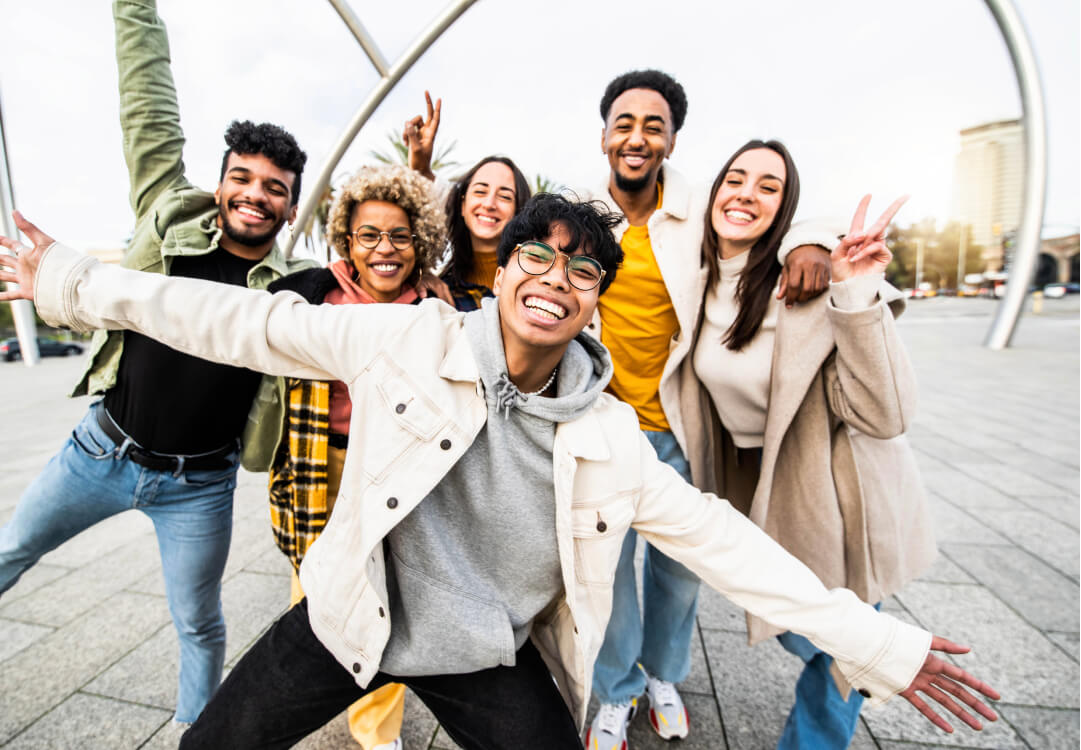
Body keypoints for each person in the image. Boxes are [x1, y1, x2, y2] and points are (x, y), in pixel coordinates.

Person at [2, 196, 999, 749]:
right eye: (538, 257)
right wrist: (72, 283)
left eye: (580, 271)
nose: (554, 280)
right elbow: (249, 322)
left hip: (482, 650)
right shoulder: (404, 340)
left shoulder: (606, 438)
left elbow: (725, 542)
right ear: (507, 268)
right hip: (345, 621)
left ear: (592, 302)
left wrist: (881, 643)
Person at [0, 0, 312, 725]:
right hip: (99, 451)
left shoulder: (297, 288)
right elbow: (147, 103)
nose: (255, 196)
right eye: (243, 178)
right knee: (11, 549)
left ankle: (194, 739)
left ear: (291, 208)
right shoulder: (166, 214)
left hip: (197, 486)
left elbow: (378, 277)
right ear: (220, 181)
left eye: (274, 188)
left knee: (199, 623)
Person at [582, 69, 840, 747]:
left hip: (676, 426)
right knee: (607, 573)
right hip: (599, 427)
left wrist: (808, 240)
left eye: (654, 125)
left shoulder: (696, 206)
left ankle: (663, 674)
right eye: (624, 123)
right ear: (604, 133)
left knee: (677, 571)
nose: (637, 137)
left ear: (671, 140)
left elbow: (767, 211)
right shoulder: (580, 211)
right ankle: (615, 690)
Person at [678, 141, 936, 748]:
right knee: (804, 625)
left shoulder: (805, 286)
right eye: (735, 179)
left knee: (841, 645)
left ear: (784, 206)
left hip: (834, 490)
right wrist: (811, 236)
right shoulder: (698, 276)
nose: (746, 193)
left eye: (769, 186)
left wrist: (854, 291)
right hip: (757, 486)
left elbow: (885, 414)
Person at [257, 164, 443, 750]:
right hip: (321, 468)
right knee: (313, 598)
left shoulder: (437, 307)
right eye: (369, 235)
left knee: (387, 599)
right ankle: (290, 709)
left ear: (420, 243)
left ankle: (378, 730)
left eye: (399, 236)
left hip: (396, 474)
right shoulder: (313, 293)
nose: (384, 249)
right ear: (348, 239)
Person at [402, 91, 533, 310]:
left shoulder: (533, 285)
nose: (489, 204)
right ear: (462, 205)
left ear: (519, 211)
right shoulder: (441, 293)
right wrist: (420, 169)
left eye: (504, 196)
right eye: (480, 192)